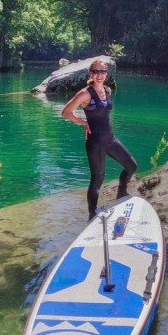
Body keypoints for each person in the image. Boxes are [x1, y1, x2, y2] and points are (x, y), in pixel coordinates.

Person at [62, 59, 138, 219]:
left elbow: (104, 115)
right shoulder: (85, 94)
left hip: (110, 139)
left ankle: (122, 192)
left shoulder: (108, 90)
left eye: (102, 71)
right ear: (91, 73)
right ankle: (92, 213)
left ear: (106, 73)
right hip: (95, 142)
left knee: (131, 166)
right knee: (98, 178)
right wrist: (83, 123)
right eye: (96, 71)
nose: (99, 75)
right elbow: (66, 112)